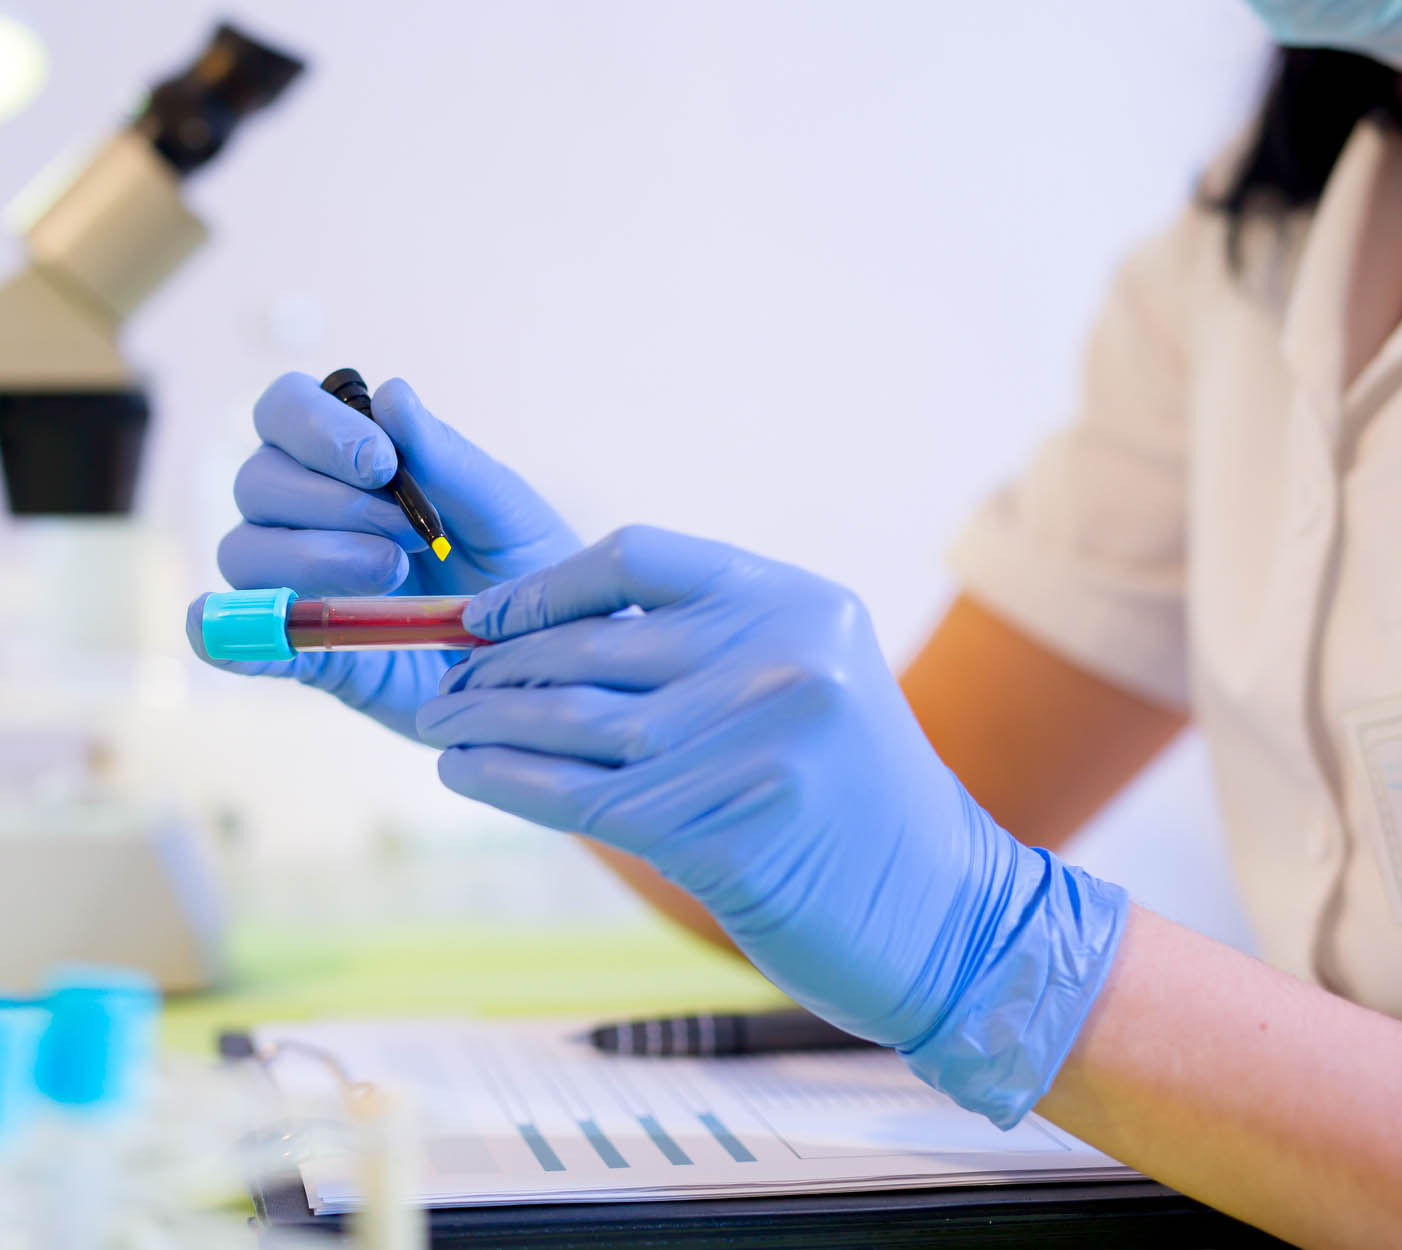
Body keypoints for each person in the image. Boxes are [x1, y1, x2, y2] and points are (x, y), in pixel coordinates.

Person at [188, 6, 1402, 1245]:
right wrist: (544, 687)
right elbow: (840, 844)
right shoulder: (1262, 240)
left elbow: (932, 897)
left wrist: (1005, 958)